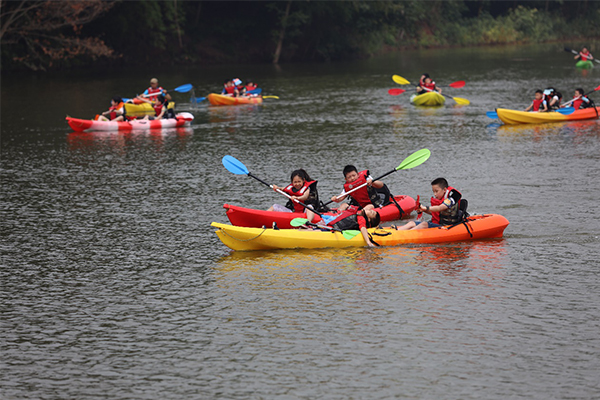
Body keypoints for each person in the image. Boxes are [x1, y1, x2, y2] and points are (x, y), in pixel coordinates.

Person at [395, 178, 466, 231]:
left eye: (436, 191)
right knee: (412, 222)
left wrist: (426, 208)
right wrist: (423, 210)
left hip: (446, 226)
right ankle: (397, 232)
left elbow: (440, 208)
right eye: (433, 191)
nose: (435, 194)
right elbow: (435, 213)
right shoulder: (440, 199)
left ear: (444, 190)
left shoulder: (450, 200)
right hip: (438, 224)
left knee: (424, 224)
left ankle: (405, 235)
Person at [317, 206, 381, 247]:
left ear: (369, 219)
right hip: (331, 228)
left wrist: (368, 242)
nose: (369, 210)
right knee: (314, 230)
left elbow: (363, 228)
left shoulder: (361, 218)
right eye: (371, 210)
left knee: (315, 230)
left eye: (371, 212)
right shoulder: (357, 215)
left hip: (331, 229)